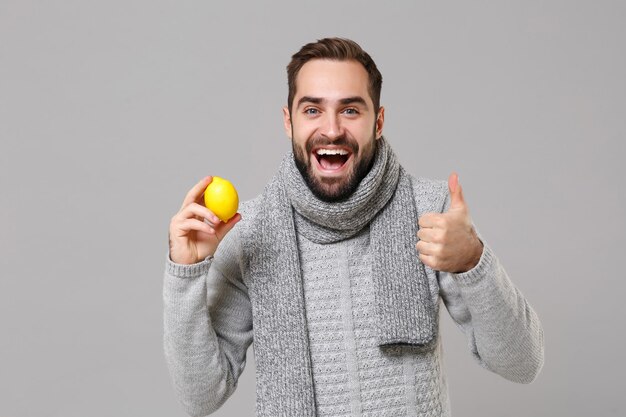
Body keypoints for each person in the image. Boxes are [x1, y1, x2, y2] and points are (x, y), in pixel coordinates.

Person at [163, 37, 544, 417]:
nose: (331, 130)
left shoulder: (431, 213)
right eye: (312, 110)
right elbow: (201, 398)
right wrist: (186, 273)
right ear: (288, 122)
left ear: (378, 122)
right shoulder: (249, 231)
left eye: (350, 110)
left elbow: (522, 365)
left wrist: (473, 262)